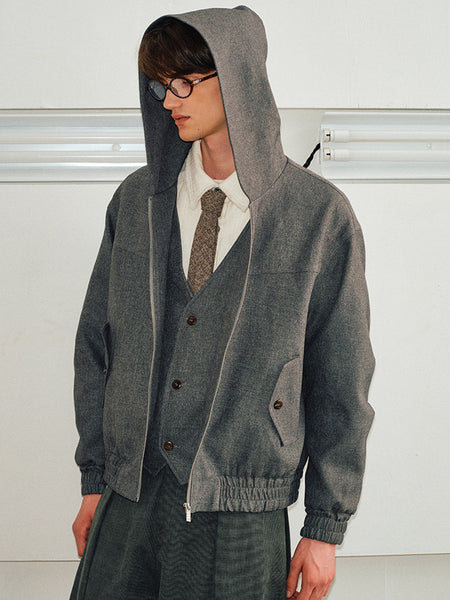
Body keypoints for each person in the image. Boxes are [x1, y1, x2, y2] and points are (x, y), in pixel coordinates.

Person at [70, 6, 375, 600]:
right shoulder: (137, 201)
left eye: (185, 82)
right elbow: (96, 345)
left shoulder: (318, 216)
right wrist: (95, 478)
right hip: (129, 495)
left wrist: (324, 527)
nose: (169, 100)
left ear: (237, 76)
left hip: (242, 507)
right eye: (161, 85)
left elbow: (342, 377)